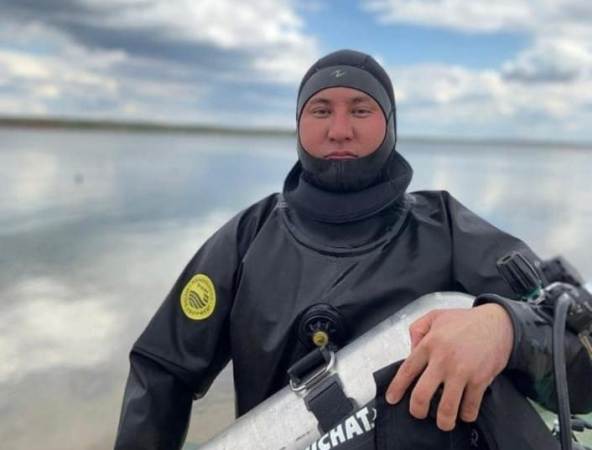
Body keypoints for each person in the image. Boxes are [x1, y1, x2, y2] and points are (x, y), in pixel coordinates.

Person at [114, 49, 592, 450]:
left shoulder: (447, 229)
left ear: (390, 123)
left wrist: (506, 328)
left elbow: (576, 343)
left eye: (360, 110)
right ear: (298, 124)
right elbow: (162, 371)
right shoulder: (247, 238)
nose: (339, 129)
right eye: (321, 110)